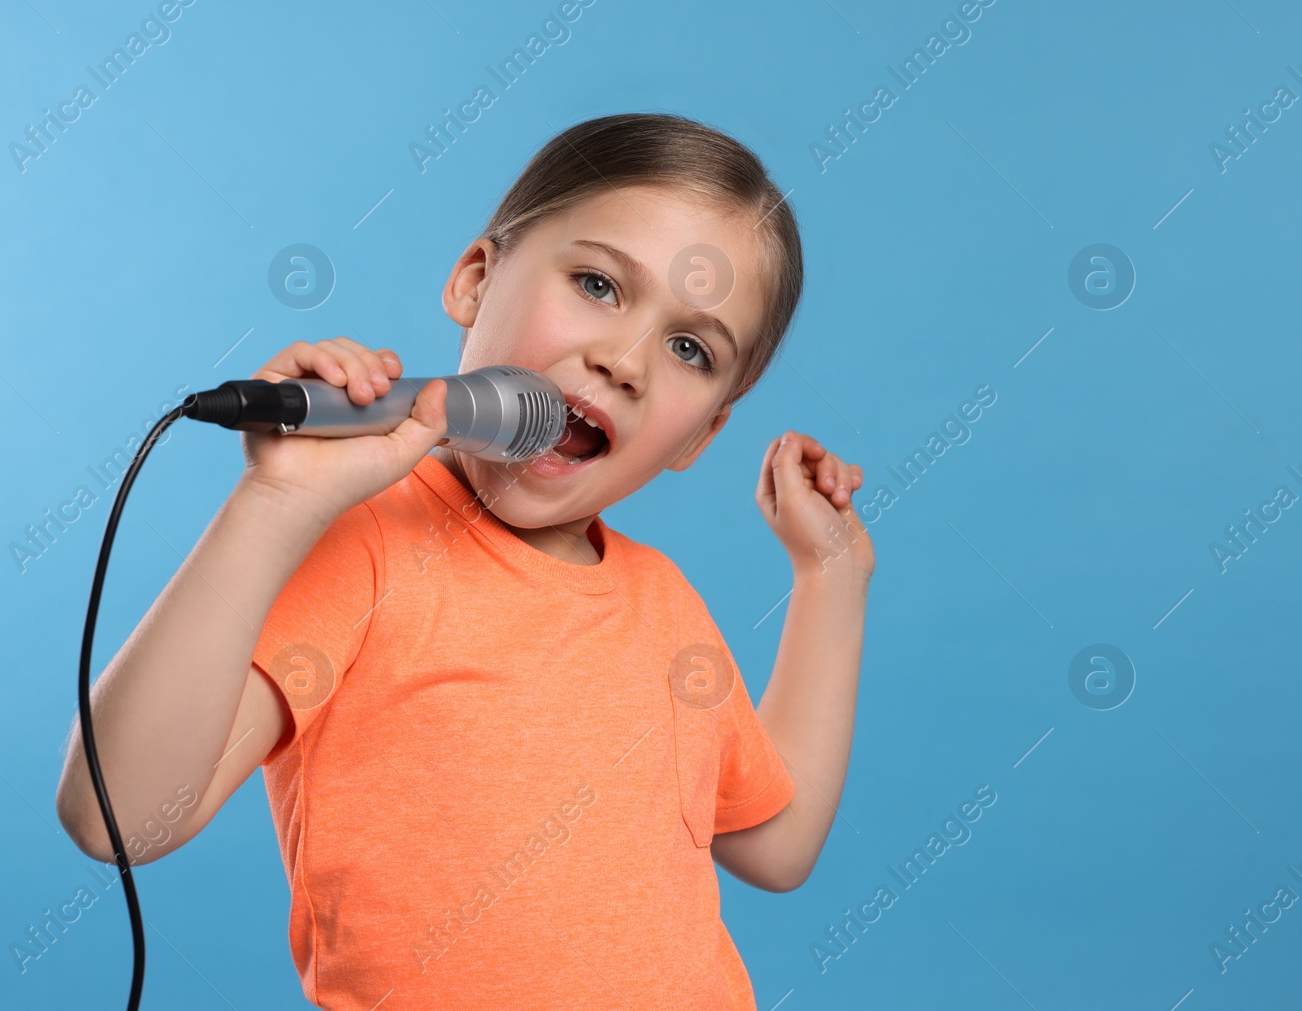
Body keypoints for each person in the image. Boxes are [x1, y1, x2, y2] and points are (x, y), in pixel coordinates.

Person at [55, 112, 874, 1009]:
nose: (624, 359)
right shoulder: (367, 546)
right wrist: (276, 504)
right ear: (476, 281)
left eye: (690, 348)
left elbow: (775, 842)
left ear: (703, 435)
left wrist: (830, 574)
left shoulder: (664, 603)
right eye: (598, 284)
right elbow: (117, 816)